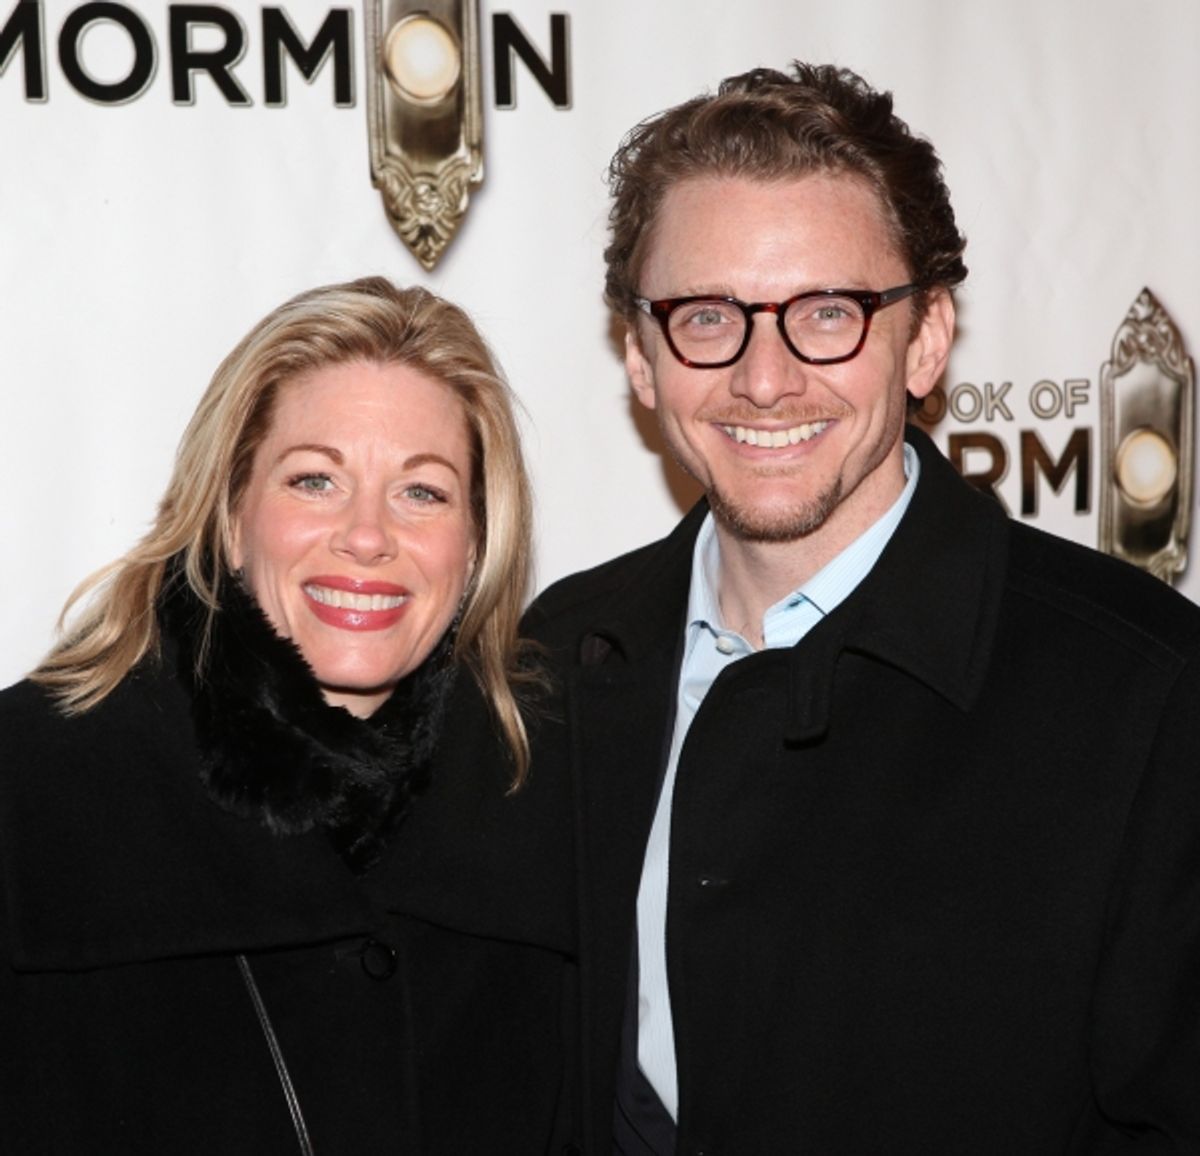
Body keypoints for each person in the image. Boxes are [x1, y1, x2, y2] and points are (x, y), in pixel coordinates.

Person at [525, 64, 1200, 1153]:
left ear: (927, 339)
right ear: (641, 357)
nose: (765, 377)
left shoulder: (1147, 699)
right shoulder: (558, 659)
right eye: (707, 317)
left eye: (826, 314)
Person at [0, 277, 577, 1153]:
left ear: (475, 546)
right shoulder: (32, 786)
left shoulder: (551, 799)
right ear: (230, 515)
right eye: (314, 480)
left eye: (423, 492)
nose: (367, 535)